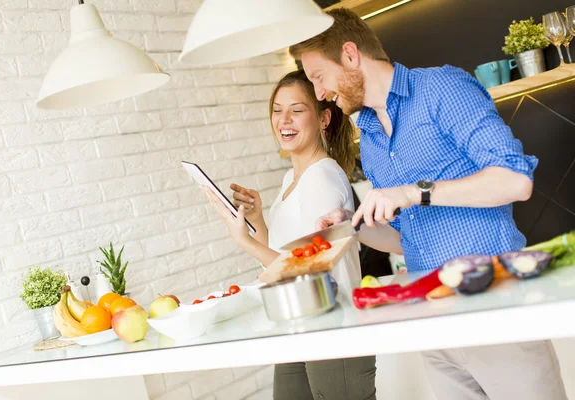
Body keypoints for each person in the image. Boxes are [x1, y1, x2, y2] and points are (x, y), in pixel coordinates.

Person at [288, 8, 568, 400]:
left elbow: (515, 180)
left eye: (319, 77)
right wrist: (355, 226)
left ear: (350, 55)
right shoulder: (368, 138)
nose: (319, 94)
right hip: (433, 320)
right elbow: (406, 238)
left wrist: (414, 192)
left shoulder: (442, 88)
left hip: (494, 310)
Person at [201, 69, 383, 400]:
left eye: (297, 110)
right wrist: (258, 221)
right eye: (277, 109)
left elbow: (311, 271)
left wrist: (243, 241)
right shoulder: (290, 180)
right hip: (297, 323)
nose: (284, 119)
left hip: (333, 329)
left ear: (324, 118)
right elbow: (285, 255)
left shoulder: (323, 177)